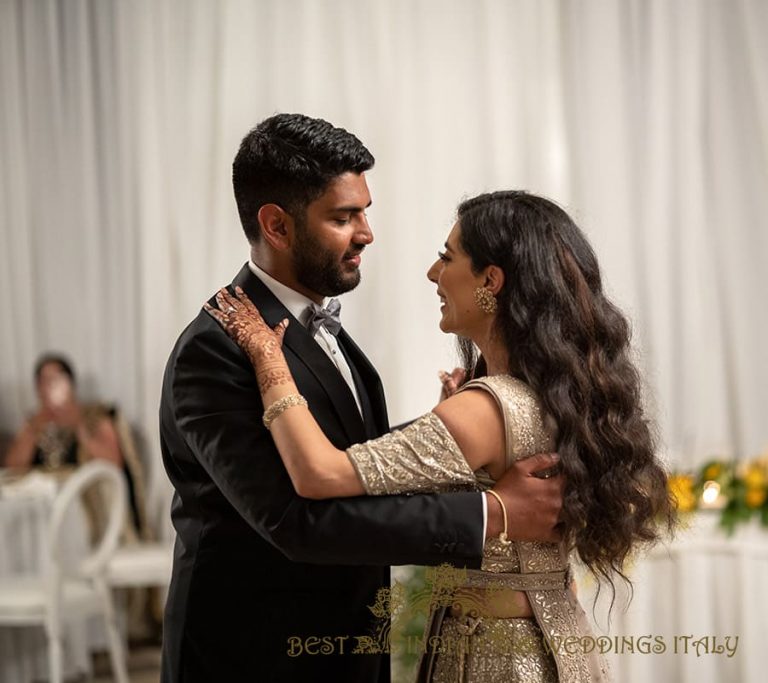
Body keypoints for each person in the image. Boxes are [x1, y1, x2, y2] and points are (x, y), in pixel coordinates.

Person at [159, 114, 564, 683]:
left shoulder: (323, 329)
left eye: (364, 211)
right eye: (343, 217)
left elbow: (358, 463)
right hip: (257, 655)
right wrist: (491, 514)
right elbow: (293, 520)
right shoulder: (218, 349)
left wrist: (448, 440)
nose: (367, 232)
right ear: (276, 225)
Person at [208, 190, 676, 682]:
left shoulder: (483, 410)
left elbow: (318, 473)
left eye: (447, 258)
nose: (434, 274)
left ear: (490, 282)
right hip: (560, 641)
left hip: (497, 660)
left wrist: (267, 358)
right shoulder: (562, 393)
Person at [4, 353, 151, 541]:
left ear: (70, 384)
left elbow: (113, 463)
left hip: (87, 511)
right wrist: (37, 426)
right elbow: (13, 467)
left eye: (55, 379)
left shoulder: (95, 416)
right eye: (43, 381)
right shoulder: (34, 424)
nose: (49, 387)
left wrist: (77, 423)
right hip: (47, 514)